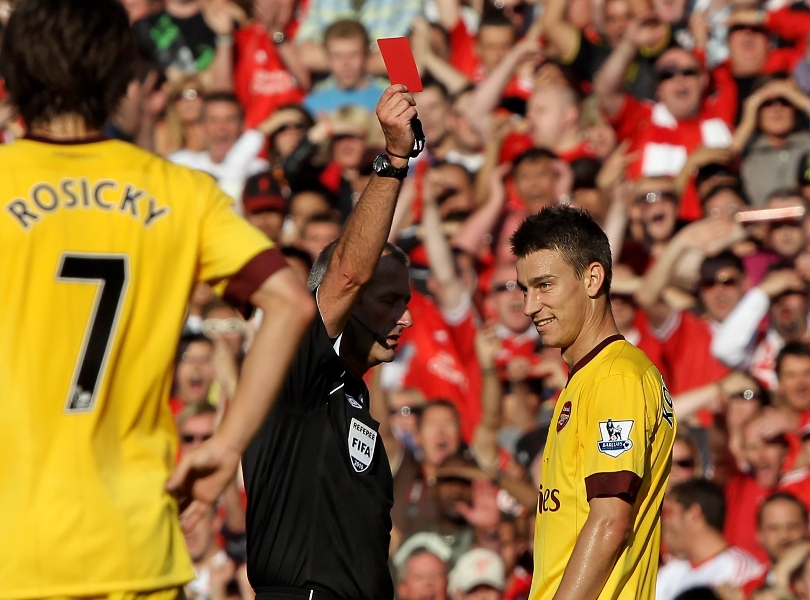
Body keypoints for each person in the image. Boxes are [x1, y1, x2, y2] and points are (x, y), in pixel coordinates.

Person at [0, 0, 315, 598]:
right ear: (123, 77)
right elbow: (290, 301)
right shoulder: (180, 191)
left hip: (14, 545)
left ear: (13, 72)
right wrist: (226, 446)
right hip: (136, 539)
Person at [241, 85, 418, 600]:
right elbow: (346, 274)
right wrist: (393, 159)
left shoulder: (352, 399)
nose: (404, 318)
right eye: (386, 299)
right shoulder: (296, 369)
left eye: (405, 300)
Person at [511, 205, 676, 599]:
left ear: (592, 278)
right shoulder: (589, 378)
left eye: (544, 285)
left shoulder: (616, 377)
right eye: (524, 289)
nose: (529, 306)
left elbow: (609, 522)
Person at [657, 479, 764, 600]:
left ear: (693, 514)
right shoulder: (669, 574)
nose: (664, 522)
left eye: (669, 513)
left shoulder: (741, 570)